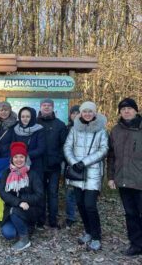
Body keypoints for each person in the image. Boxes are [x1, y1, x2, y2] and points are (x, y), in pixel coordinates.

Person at [64, 101, 108, 251]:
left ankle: (96, 236)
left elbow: (103, 150)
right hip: (77, 173)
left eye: (90, 111)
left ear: (95, 113)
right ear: (81, 113)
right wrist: (74, 162)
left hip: (93, 173)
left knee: (90, 205)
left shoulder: (101, 130)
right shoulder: (75, 129)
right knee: (81, 205)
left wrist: (84, 162)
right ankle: (88, 232)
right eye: (84, 111)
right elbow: (67, 146)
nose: (87, 114)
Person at [107, 98, 142, 256]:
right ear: (120, 112)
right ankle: (136, 244)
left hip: (140, 180)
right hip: (123, 180)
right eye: (123, 109)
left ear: (136, 110)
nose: (126, 111)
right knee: (130, 214)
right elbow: (111, 156)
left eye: (129, 108)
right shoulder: (115, 130)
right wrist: (111, 177)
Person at [0, 142, 43, 251]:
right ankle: (24, 228)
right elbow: (2, 192)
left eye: (22, 157)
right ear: (12, 158)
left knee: (14, 211)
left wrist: (23, 199)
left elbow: (39, 194)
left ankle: (24, 239)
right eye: (16, 157)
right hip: (12, 209)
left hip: (30, 209)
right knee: (8, 233)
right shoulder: (6, 173)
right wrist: (18, 202)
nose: (19, 160)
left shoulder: (33, 174)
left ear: (26, 158)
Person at [37, 98, 68, 229]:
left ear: (53, 108)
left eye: (49, 105)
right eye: (44, 105)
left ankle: (53, 221)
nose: (46, 107)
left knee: (53, 194)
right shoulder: (35, 123)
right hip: (38, 166)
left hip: (54, 166)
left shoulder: (60, 125)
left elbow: (64, 145)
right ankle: (40, 220)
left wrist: (58, 158)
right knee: (40, 193)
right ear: (40, 107)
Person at [12, 107, 45, 178]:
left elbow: (41, 149)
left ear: (32, 117)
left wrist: (25, 155)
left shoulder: (39, 129)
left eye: (28, 116)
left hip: (35, 164)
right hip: (19, 164)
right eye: (22, 116)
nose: (25, 119)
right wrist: (19, 158)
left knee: (35, 186)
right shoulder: (16, 129)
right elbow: (13, 146)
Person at [65, 105, 80, 228]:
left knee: (83, 192)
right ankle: (70, 216)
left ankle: (82, 213)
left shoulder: (89, 128)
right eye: (73, 113)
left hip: (85, 164)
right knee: (70, 191)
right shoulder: (66, 128)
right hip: (69, 164)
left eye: (77, 113)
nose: (75, 115)